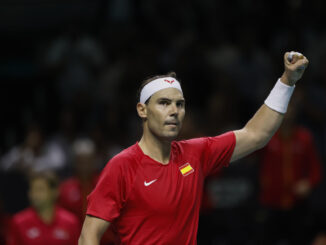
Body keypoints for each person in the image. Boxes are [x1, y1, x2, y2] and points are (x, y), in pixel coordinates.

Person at [79, 51, 309, 245]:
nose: (174, 111)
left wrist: (287, 82)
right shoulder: (122, 166)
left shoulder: (196, 153)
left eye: (179, 104)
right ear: (142, 110)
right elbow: (88, 235)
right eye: (164, 103)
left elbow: (256, 134)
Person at [258, 99, 323, 244]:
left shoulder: (305, 138)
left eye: (291, 107)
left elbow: (316, 170)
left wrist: (309, 183)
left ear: (296, 110)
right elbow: (251, 157)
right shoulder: (266, 138)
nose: (287, 111)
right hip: (271, 203)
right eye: (284, 106)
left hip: (297, 205)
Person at [6, 172, 80, 245]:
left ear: (55, 192)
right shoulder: (18, 222)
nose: (35, 194)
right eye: (32, 190)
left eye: (40, 189)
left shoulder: (71, 222)